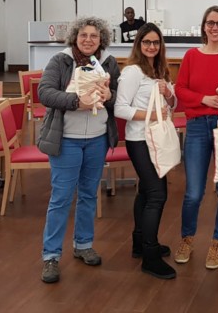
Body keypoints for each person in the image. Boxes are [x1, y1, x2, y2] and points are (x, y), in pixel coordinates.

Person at [36, 17, 120, 284]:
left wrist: (110, 97)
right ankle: (51, 256)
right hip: (67, 140)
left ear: (101, 39)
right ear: (75, 37)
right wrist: (76, 101)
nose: (88, 40)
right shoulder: (60, 61)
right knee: (61, 198)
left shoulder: (108, 62)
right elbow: (45, 92)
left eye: (94, 36)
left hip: (97, 139)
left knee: (88, 195)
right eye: (83, 35)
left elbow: (118, 95)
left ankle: (83, 244)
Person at [174, 5, 218, 270]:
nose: (215, 27)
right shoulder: (191, 55)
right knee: (193, 192)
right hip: (195, 126)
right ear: (203, 26)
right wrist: (203, 98)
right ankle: (187, 238)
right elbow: (180, 89)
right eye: (210, 23)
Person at [114, 23, 177, 280]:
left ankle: (140, 243)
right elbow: (120, 109)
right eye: (146, 42)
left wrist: (168, 94)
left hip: (156, 140)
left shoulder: (159, 70)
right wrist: (151, 114)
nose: (152, 46)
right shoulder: (132, 72)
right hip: (139, 140)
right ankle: (150, 256)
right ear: (138, 44)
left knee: (145, 192)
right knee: (157, 195)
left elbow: (172, 105)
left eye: (156, 42)